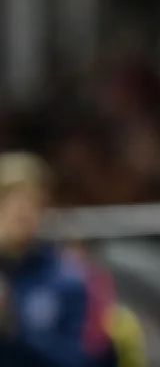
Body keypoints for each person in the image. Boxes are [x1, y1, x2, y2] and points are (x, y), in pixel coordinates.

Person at [0, 152, 93, 367]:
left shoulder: (66, 279)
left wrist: (15, 328)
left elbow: (78, 360)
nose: (20, 212)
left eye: (30, 202)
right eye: (8, 200)